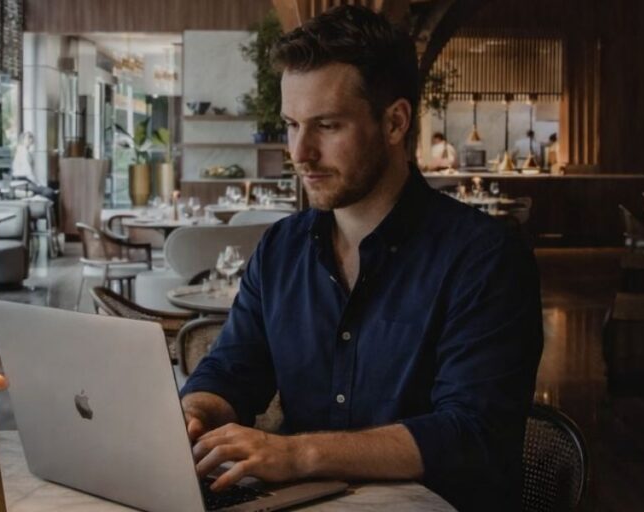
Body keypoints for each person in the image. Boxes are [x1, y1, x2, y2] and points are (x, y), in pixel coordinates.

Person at [179, 6, 543, 512]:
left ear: (394, 122)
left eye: (327, 126)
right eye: (291, 125)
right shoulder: (280, 249)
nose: (300, 152)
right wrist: (195, 411)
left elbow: (470, 433)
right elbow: (232, 370)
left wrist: (298, 454)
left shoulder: (485, 258)